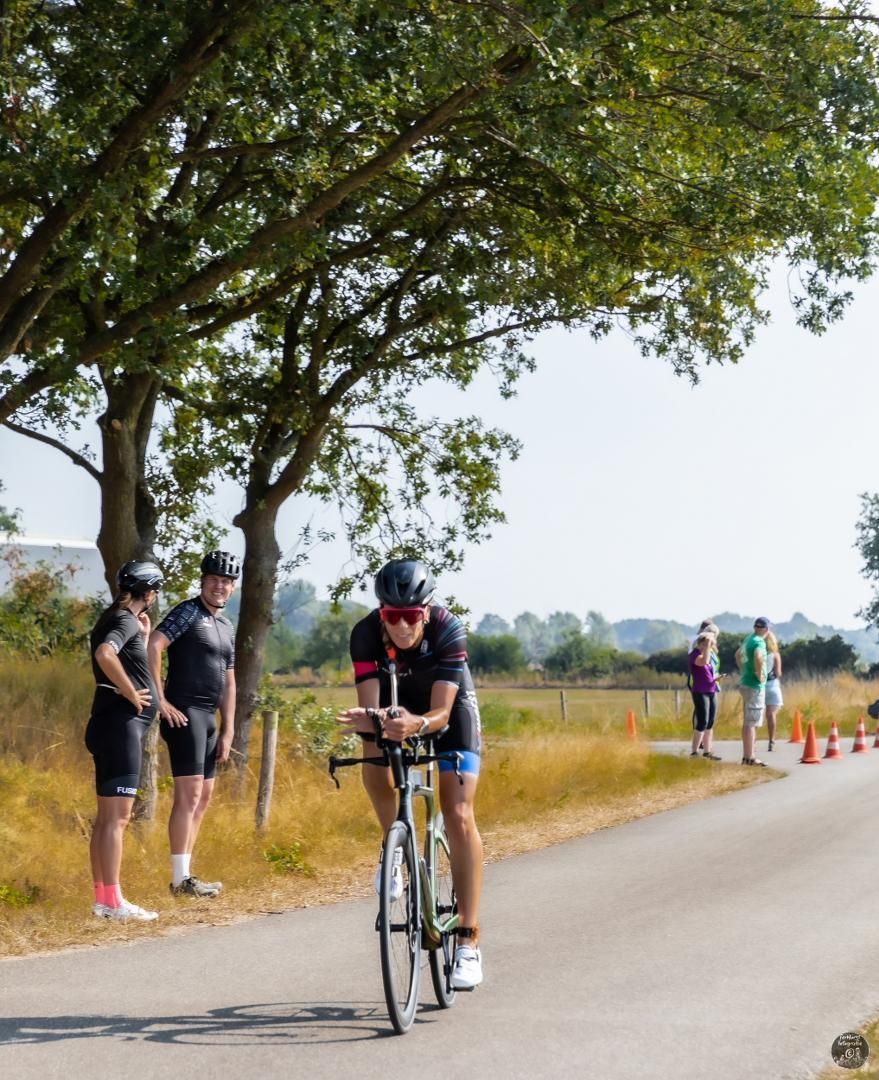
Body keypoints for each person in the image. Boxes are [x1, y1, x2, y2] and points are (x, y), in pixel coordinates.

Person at [336, 558, 484, 990]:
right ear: (381, 613)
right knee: (371, 740)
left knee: (458, 813)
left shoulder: (448, 629)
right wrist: (375, 718)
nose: (402, 626)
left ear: (426, 611)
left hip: (448, 711)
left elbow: (440, 713)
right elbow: (372, 706)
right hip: (399, 704)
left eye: (411, 616)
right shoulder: (365, 634)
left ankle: (470, 939)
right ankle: (394, 847)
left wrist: (416, 723)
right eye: (392, 616)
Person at [148, 550, 239, 899]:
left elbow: (230, 679)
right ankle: (178, 879)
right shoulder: (188, 611)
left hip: (210, 718)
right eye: (214, 580)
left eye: (226, 582)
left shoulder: (226, 626)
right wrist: (161, 700)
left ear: (232, 588)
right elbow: (154, 645)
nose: (220, 587)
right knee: (189, 795)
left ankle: (186, 876)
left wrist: (229, 728)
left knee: (204, 798)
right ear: (203, 581)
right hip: (184, 713)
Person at [86, 559, 163, 921]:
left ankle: (103, 900)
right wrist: (131, 692)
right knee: (117, 820)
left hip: (109, 725)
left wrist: (143, 639)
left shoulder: (115, 618)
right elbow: (106, 655)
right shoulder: (124, 619)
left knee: (106, 820)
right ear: (148, 593)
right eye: (155, 591)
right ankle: (115, 903)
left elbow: (123, 655)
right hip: (120, 727)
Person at [735, 616, 770, 766]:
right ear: (766, 629)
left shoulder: (749, 639)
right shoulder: (759, 641)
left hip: (745, 682)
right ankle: (750, 757)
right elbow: (758, 656)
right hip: (754, 685)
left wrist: (743, 670)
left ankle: (747, 755)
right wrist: (759, 674)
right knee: (752, 722)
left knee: (747, 721)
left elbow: (737, 655)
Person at [688, 620, 721, 760]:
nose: (711, 646)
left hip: (711, 689)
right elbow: (704, 662)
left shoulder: (709, 654)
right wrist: (707, 646)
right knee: (702, 721)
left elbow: (709, 670)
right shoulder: (695, 655)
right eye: (708, 644)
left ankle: (708, 751)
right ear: (700, 644)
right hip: (700, 691)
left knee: (710, 721)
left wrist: (716, 678)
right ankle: (694, 752)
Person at [764, 630, 783, 751]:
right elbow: (778, 673)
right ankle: (772, 740)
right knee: (771, 715)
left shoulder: (758, 653)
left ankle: (752, 742)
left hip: (760, 685)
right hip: (772, 686)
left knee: (757, 715)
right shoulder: (775, 655)